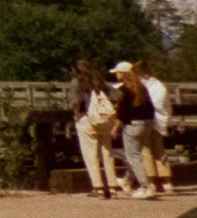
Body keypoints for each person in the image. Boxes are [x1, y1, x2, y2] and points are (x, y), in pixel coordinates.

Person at [73, 61, 117, 197]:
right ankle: (112, 186)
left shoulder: (76, 83)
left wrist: (76, 116)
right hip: (104, 119)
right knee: (107, 152)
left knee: (90, 153)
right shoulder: (100, 81)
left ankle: (98, 187)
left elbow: (76, 102)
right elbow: (118, 95)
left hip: (87, 118)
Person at [113, 60, 155, 199]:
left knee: (133, 157)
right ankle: (127, 180)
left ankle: (145, 187)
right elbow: (150, 108)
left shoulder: (125, 90)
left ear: (123, 74)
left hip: (132, 125)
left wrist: (115, 128)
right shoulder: (141, 88)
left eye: (117, 72)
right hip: (146, 124)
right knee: (137, 155)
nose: (116, 75)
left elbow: (122, 113)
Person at [141, 63, 174, 192]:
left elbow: (156, 103)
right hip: (156, 121)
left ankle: (153, 182)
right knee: (158, 150)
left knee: (148, 150)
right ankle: (165, 181)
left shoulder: (155, 85)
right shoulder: (158, 85)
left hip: (152, 120)